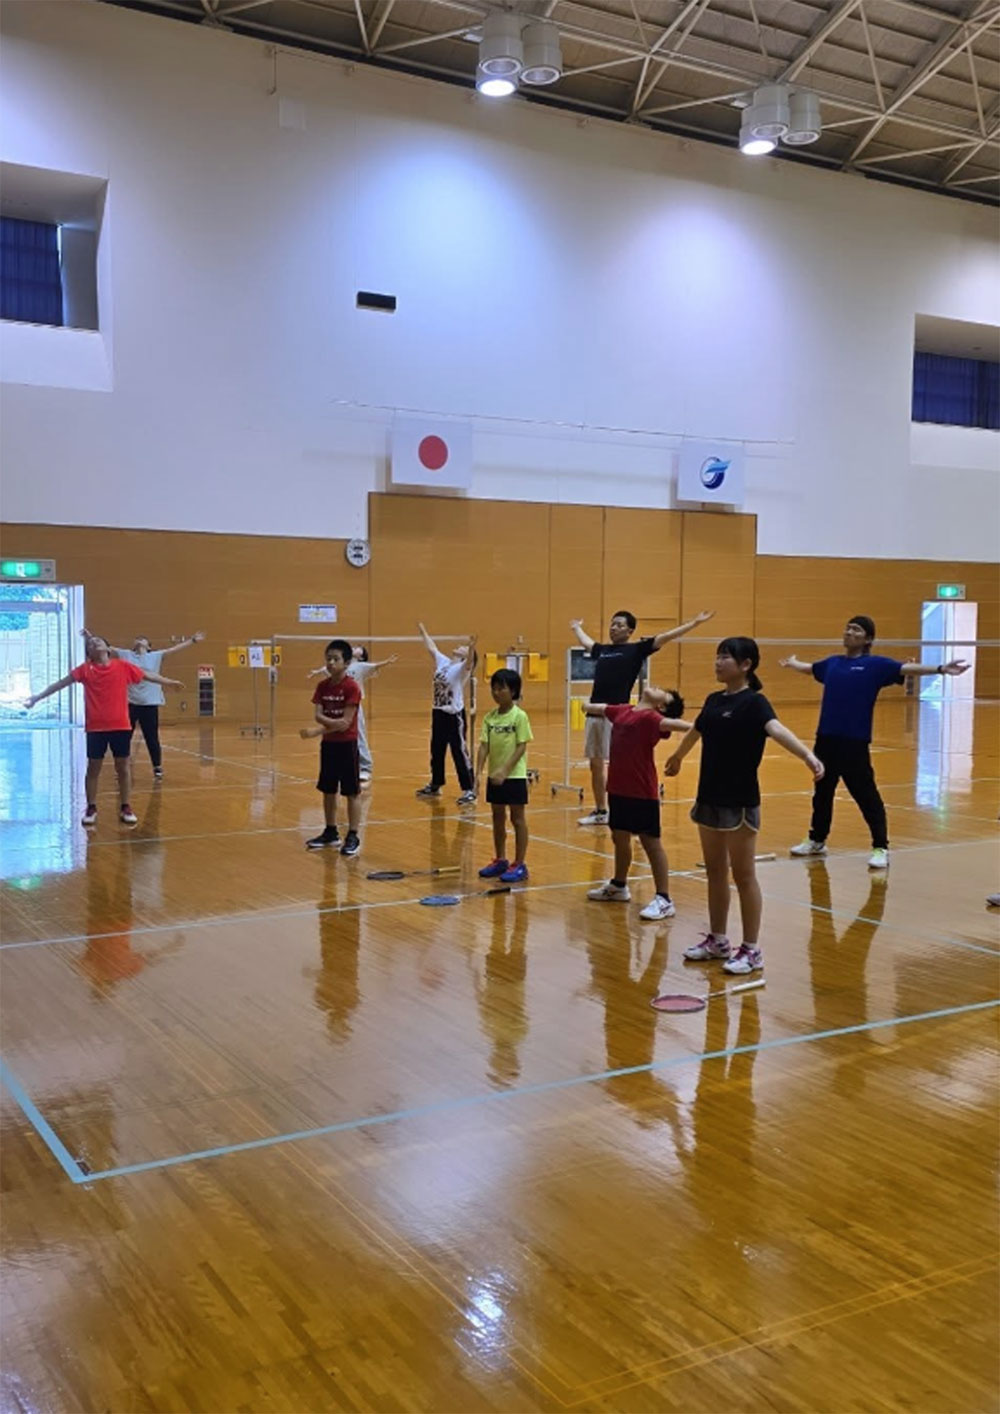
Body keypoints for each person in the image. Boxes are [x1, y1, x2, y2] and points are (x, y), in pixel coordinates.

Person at [665, 636, 823, 975]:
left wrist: (808, 756)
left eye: (725, 657)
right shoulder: (713, 700)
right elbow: (696, 730)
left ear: (746, 665)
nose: (718, 662)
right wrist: (677, 756)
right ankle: (718, 940)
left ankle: (751, 949)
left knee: (744, 875)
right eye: (717, 656)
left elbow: (777, 730)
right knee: (715, 871)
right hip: (709, 797)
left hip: (739, 801)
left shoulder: (755, 703)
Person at [781, 615, 970, 868]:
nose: (849, 632)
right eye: (848, 628)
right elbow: (810, 669)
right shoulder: (832, 664)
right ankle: (817, 840)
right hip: (825, 740)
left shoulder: (875, 665)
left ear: (868, 639)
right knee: (822, 794)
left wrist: (941, 668)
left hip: (854, 743)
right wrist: (793, 663)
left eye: (856, 630)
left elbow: (906, 669)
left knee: (866, 796)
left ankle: (880, 847)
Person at [570, 608, 715, 825]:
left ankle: (629, 806)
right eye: (612, 624)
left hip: (617, 715)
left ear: (629, 631)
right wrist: (576, 628)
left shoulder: (636, 650)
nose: (614, 628)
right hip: (595, 714)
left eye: (619, 625)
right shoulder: (603, 650)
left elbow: (666, 636)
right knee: (595, 764)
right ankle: (601, 811)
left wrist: (694, 623)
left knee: (621, 763)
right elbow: (586, 642)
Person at [24, 633, 183, 828]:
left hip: (120, 725)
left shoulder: (122, 666)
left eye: (98, 641)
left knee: (123, 767)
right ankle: (91, 807)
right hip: (96, 727)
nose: (94, 643)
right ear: (89, 653)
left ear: (108, 649)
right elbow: (60, 684)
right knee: (93, 768)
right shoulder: (85, 670)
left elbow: (148, 675)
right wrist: (37, 698)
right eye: (91, 643)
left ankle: (125, 806)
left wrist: (169, 682)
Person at [584, 685, 691, 920]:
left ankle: (664, 898)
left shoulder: (652, 719)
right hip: (617, 788)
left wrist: (702, 727)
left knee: (651, 843)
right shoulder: (623, 710)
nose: (656, 687)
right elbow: (598, 708)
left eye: (664, 694)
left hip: (642, 792)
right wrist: (587, 706)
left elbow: (682, 726)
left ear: (661, 706)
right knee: (619, 837)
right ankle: (619, 885)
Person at [85, 626, 205, 779]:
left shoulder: (156, 655)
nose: (139, 640)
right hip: (130, 703)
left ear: (149, 646)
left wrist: (192, 640)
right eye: (137, 638)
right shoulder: (126, 654)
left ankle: (157, 767)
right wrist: (90, 637)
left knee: (151, 737)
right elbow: (103, 646)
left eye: (143, 639)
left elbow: (174, 649)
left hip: (149, 703)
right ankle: (121, 769)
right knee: (125, 738)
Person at [303, 639, 363, 855]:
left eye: (335, 659)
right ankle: (330, 832)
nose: (330, 663)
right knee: (328, 790)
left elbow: (345, 723)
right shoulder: (322, 686)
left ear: (346, 663)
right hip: (329, 746)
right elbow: (318, 715)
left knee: (351, 792)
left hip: (347, 745)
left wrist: (316, 731)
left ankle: (353, 835)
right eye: (328, 659)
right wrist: (329, 725)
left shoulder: (352, 687)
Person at [307, 646, 398, 785]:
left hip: (353, 705)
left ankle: (365, 767)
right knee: (338, 736)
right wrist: (316, 672)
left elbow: (375, 666)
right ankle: (342, 768)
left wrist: (387, 662)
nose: (356, 647)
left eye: (360, 648)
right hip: (337, 704)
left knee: (359, 735)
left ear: (361, 656)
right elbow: (327, 668)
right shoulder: (340, 663)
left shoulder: (361, 666)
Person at [476, 668, 533, 883]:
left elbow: (521, 746)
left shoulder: (519, 716)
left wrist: (505, 770)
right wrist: (478, 773)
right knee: (497, 817)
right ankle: (500, 859)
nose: (496, 692)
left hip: (514, 776)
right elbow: (484, 746)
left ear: (514, 691)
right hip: (494, 777)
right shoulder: (489, 718)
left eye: (501, 688)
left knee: (517, 819)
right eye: (494, 688)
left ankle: (519, 864)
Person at [414, 622, 477, 805]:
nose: (459, 646)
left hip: (454, 716)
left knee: (459, 752)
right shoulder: (444, 663)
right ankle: (436, 784)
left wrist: (472, 647)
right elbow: (432, 648)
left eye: (463, 647)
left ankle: (469, 789)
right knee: (437, 750)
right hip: (438, 712)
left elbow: (471, 662)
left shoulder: (462, 669)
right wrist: (423, 631)